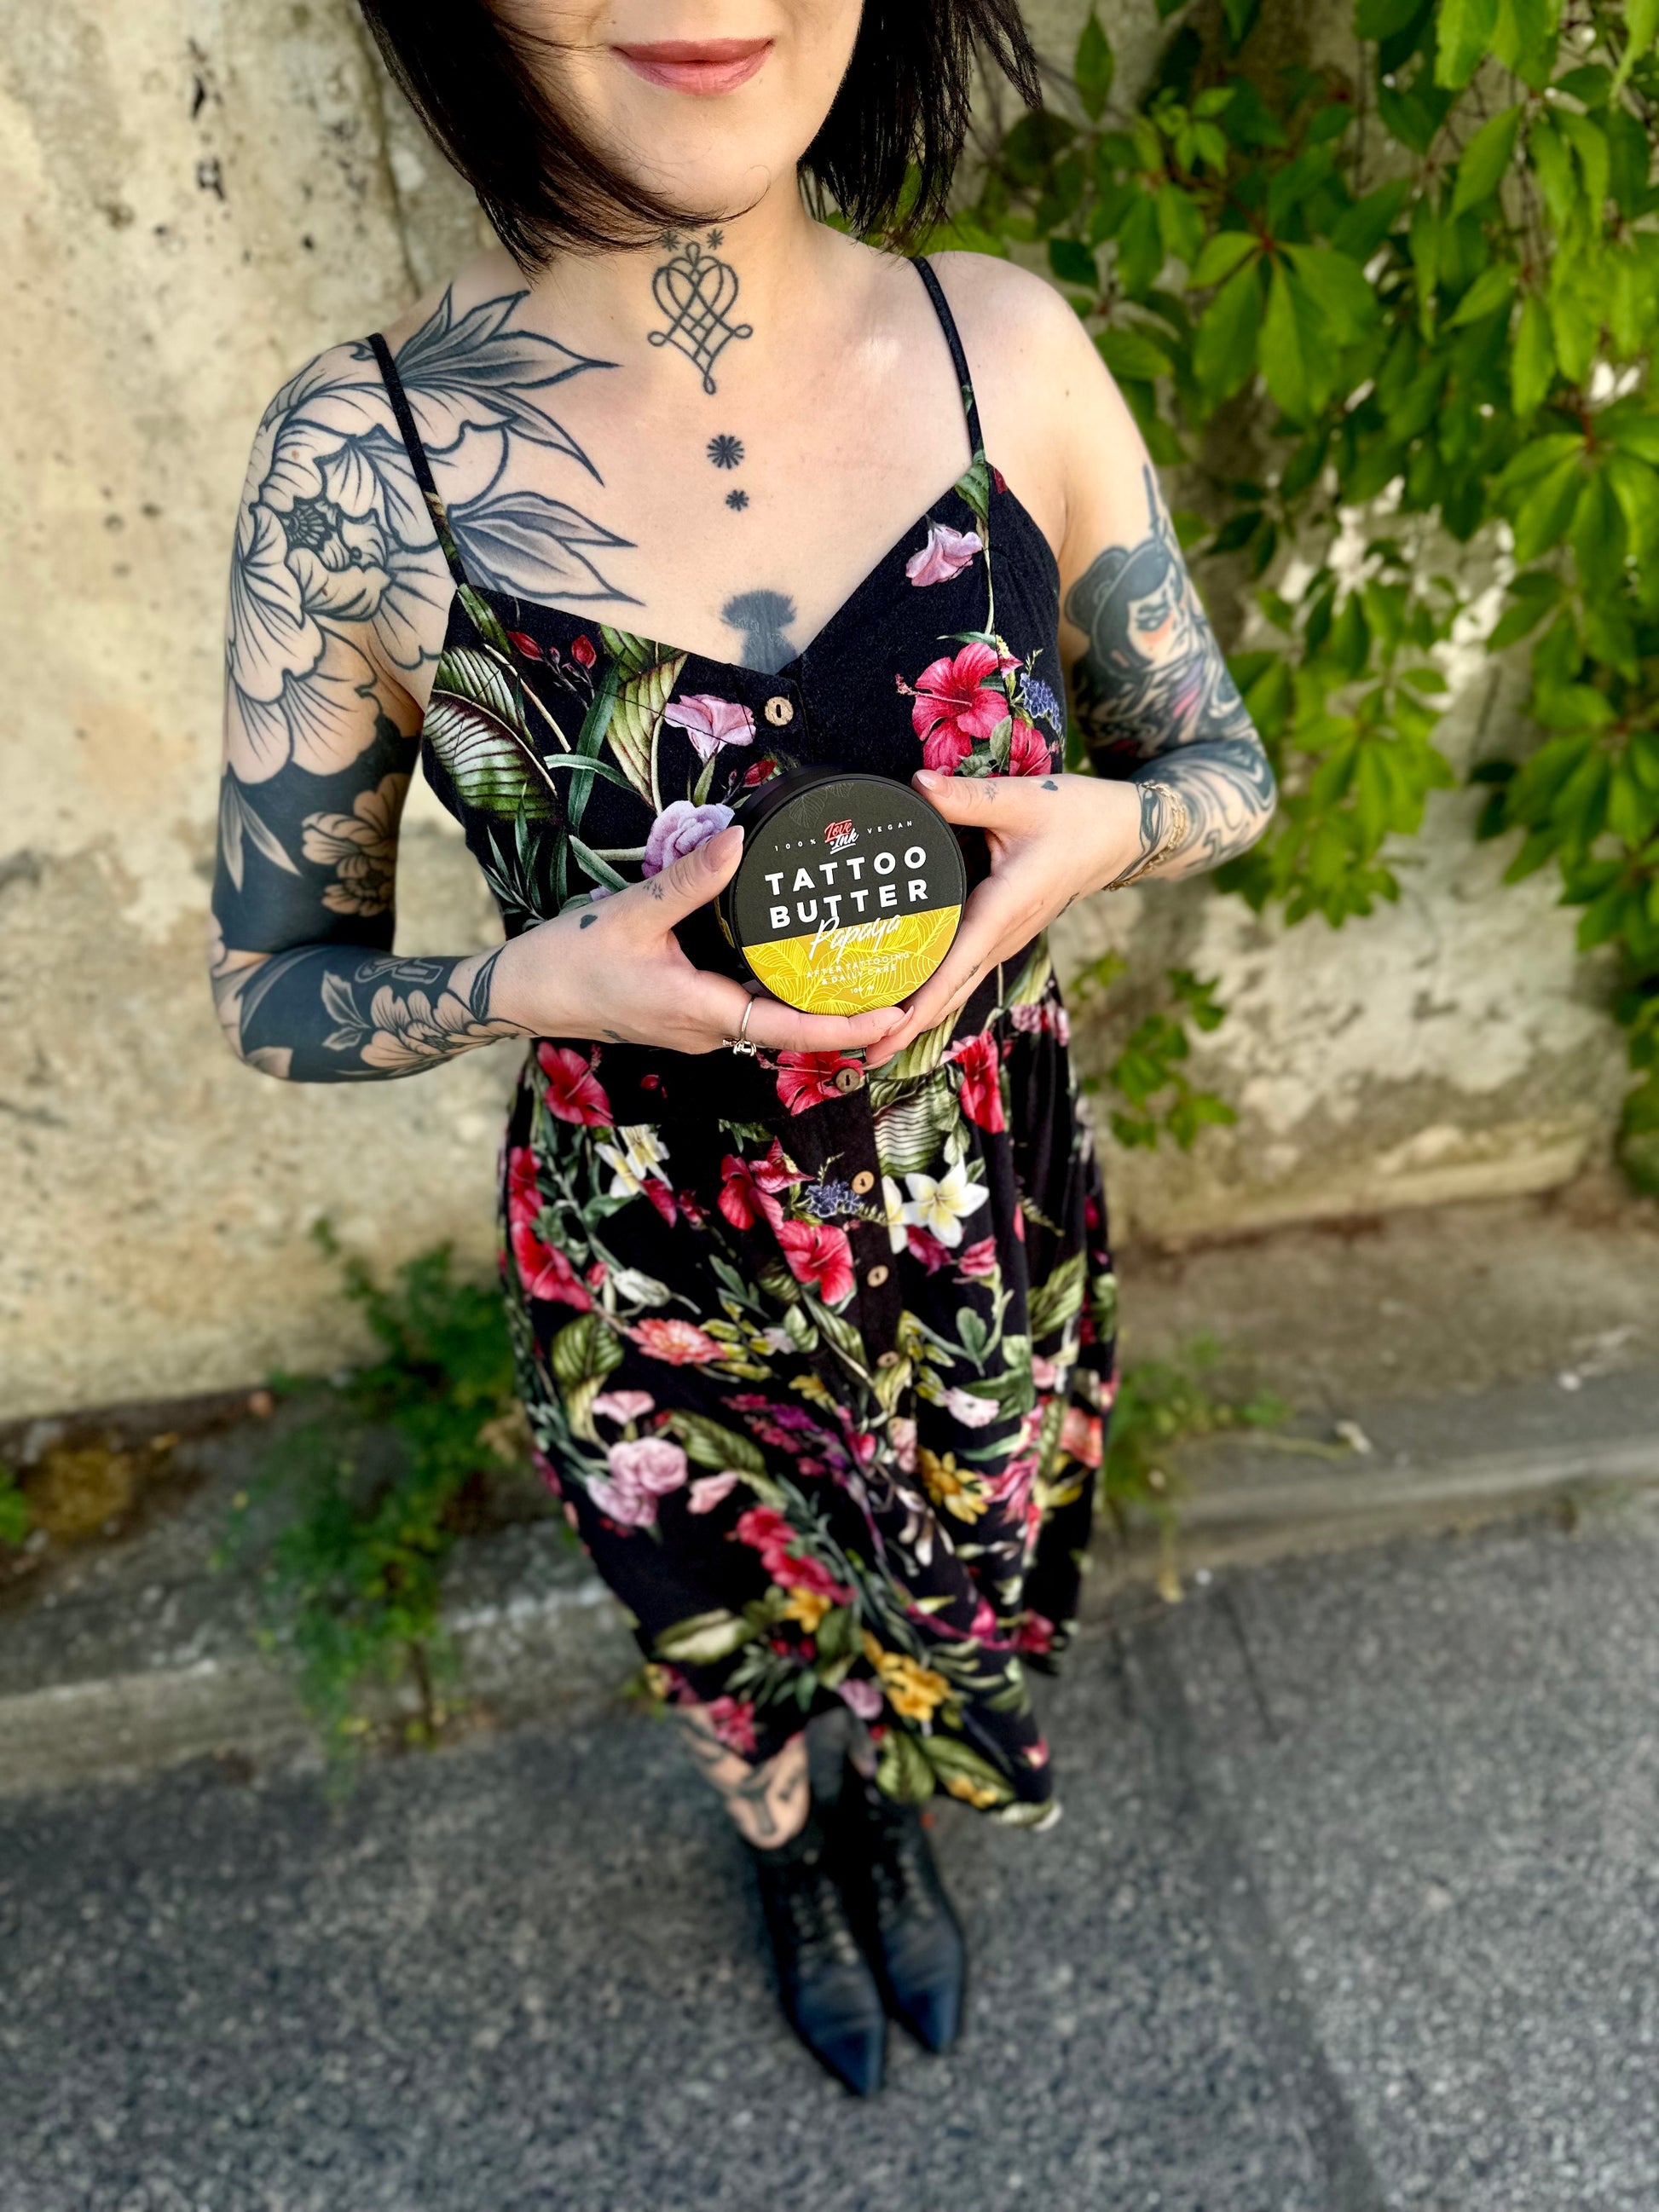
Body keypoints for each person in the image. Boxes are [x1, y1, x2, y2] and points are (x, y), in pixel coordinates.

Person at [210, 0, 1275, 2097]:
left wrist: (1111, 827)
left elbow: (1220, 763)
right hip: (655, 1282)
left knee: (947, 1566)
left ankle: (882, 1781)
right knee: (720, 1618)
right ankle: (793, 1840)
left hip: (983, 1232)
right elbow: (274, 990)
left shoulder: (1009, 352)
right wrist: (530, 979)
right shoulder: (366, 465)